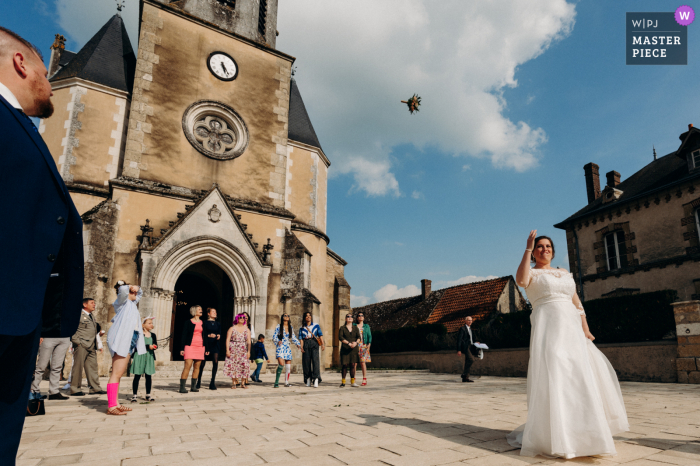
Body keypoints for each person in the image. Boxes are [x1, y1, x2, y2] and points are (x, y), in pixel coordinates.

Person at [0, 26, 84, 458]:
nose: (52, 83)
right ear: (20, 64)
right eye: (48, 74)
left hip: (19, 321)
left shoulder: (18, 125)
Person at [506, 231, 629, 459]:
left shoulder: (564, 273)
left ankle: (587, 434)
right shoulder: (531, 272)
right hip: (548, 331)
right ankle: (557, 435)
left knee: (579, 376)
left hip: (572, 331)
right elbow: (521, 281)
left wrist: (585, 328)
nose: (545, 249)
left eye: (548, 246)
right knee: (556, 374)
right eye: (540, 247)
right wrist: (526, 247)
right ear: (534, 252)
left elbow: (577, 303)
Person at [106, 282, 146, 415]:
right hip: (123, 339)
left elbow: (140, 293)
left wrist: (137, 289)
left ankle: (116, 403)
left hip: (131, 339)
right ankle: (112, 406)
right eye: (132, 292)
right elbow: (122, 290)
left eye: (134, 292)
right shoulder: (121, 303)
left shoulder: (132, 304)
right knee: (116, 373)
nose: (134, 293)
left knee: (119, 373)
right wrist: (129, 287)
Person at [69, 298, 106, 396]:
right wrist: (77, 342)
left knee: (92, 367)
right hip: (81, 345)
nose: (94, 304)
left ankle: (95, 388)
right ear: (85, 305)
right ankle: (75, 389)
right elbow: (71, 329)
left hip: (91, 345)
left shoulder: (91, 316)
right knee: (78, 367)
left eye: (94, 302)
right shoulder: (78, 315)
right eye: (92, 303)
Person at [30, 331, 71, 401]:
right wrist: (40, 334)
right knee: (41, 366)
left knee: (57, 367)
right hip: (48, 335)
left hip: (64, 336)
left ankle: (54, 392)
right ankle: (34, 390)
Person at [130, 317, 157, 402]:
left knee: (148, 376)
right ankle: (134, 395)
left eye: (151, 323)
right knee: (137, 376)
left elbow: (155, 344)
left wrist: (154, 346)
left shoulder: (153, 335)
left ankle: (148, 394)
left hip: (149, 356)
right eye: (149, 323)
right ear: (143, 325)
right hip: (139, 355)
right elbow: (136, 346)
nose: (151, 324)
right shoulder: (139, 334)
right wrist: (147, 346)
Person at [179, 305, 205, 393]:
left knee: (197, 367)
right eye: (199, 309)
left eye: (201, 309)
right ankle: (182, 387)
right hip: (190, 346)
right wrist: (182, 348)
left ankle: (193, 386)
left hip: (200, 346)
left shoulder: (203, 322)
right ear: (194, 311)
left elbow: (204, 336)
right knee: (187, 366)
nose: (201, 310)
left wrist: (207, 348)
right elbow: (183, 335)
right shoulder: (188, 322)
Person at [222, 313, 251, 389]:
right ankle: (234, 382)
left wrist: (249, 351)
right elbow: (227, 340)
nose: (242, 318)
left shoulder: (247, 329)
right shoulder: (232, 328)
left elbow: (249, 341)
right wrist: (227, 350)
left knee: (244, 365)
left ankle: (243, 383)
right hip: (233, 348)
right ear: (237, 319)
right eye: (240, 317)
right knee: (234, 365)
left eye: (243, 317)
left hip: (243, 349)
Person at [272, 314, 301, 388]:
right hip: (281, 347)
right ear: (282, 317)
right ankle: (276, 382)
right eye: (285, 315)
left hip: (287, 347)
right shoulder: (279, 326)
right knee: (281, 364)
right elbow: (274, 336)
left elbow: (293, 337)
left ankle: (286, 382)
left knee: (288, 367)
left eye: (288, 315)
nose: (286, 316)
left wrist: (298, 344)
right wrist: (278, 340)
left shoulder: (291, 327)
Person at [197, 308, 221, 390]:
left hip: (215, 344)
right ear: (208, 313)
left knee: (215, 362)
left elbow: (219, 333)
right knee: (202, 363)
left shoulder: (218, 323)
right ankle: (198, 381)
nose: (215, 313)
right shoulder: (204, 322)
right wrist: (208, 336)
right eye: (213, 312)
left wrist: (218, 336)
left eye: (215, 312)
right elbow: (201, 333)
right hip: (206, 344)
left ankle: (212, 382)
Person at [299, 311, 324, 388]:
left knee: (315, 361)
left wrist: (322, 344)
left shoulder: (316, 325)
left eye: (309, 315)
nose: (308, 317)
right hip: (306, 343)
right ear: (304, 318)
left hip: (314, 343)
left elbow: (320, 335)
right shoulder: (302, 328)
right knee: (306, 362)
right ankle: (308, 379)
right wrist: (301, 347)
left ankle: (316, 379)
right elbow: (301, 339)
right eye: (306, 316)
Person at [338, 314, 361, 387]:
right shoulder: (342, 328)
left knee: (352, 365)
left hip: (354, 348)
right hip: (345, 348)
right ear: (345, 319)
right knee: (345, 365)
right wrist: (348, 343)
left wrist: (356, 343)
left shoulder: (355, 328)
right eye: (348, 317)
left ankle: (352, 382)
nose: (350, 318)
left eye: (351, 317)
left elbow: (359, 337)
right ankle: (343, 382)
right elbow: (340, 337)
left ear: (353, 319)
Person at [457, 316, 480, 383]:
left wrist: (475, 342)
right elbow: (459, 340)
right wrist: (459, 350)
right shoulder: (462, 329)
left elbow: (471, 339)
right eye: (469, 320)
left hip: (471, 347)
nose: (470, 322)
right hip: (466, 347)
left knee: (467, 361)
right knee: (471, 359)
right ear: (465, 321)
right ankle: (464, 374)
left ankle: (465, 378)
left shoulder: (470, 329)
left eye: (471, 320)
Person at [354, 312, 372, 386]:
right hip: (356, 345)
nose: (360, 317)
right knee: (354, 363)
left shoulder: (366, 326)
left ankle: (364, 379)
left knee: (362, 363)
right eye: (359, 316)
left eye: (362, 315)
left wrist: (369, 344)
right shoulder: (354, 326)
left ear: (364, 317)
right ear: (357, 318)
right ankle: (353, 379)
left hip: (364, 345)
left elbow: (369, 336)